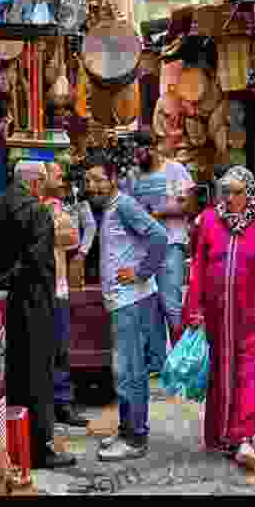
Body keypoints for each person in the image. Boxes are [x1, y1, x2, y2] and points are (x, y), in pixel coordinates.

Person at [0, 160, 76, 470]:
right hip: (32, 303)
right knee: (37, 376)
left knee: (9, 374)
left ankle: (8, 444)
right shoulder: (38, 212)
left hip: (0, 305)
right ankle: (39, 449)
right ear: (36, 184)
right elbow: (38, 262)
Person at [185, 166, 255, 470]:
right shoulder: (211, 219)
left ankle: (244, 437)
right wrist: (195, 308)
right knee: (220, 372)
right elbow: (199, 265)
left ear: (250, 192)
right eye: (225, 191)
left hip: (254, 314)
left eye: (237, 191)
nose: (230, 197)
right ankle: (220, 435)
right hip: (217, 314)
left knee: (251, 375)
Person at [84, 152, 168, 462]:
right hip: (122, 302)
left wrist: (142, 271)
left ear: (113, 180)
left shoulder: (125, 205)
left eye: (99, 179)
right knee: (124, 370)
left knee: (129, 371)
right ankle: (126, 430)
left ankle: (135, 439)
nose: (92, 185)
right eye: (88, 180)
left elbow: (159, 236)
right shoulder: (109, 208)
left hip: (131, 301)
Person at [130, 130, 195, 374]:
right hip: (144, 249)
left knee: (171, 305)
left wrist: (158, 213)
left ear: (154, 148)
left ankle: (180, 360)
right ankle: (156, 362)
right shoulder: (134, 175)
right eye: (136, 152)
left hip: (169, 245)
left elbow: (189, 205)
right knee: (150, 307)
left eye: (143, 150)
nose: (139, 157)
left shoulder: (175, 170)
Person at [40, 162, 90, 429]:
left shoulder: (59, 207)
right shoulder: (39, 207)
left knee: (60, 348)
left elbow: (72, 237)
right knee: (48, 348)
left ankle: (61, 402)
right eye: (56, 175)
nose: (61, 179)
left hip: (58, 285)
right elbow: (60, 235)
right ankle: (53, 403)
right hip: (44, 287)